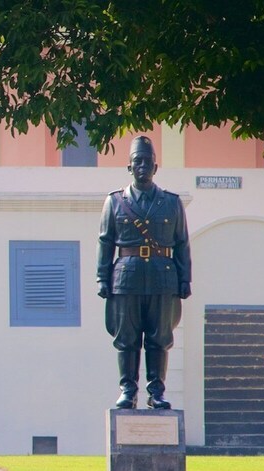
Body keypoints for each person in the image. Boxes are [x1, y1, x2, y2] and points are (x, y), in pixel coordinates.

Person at [95, 136, 192, 410]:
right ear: (129, 167)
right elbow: (106, 242)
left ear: (155, 167)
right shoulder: (114, 202)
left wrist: (185, 279)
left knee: (159, 337)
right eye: (137, 161)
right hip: (126, 278)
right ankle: (128, 389)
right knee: (126, 338)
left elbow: (182, 242)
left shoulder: (172, 203)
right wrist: (102, 278)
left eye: (147, 162)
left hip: (163, 278)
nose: (142, 166)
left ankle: (156, 391)